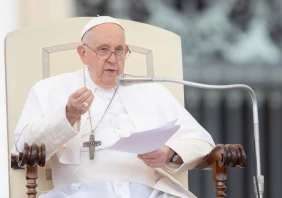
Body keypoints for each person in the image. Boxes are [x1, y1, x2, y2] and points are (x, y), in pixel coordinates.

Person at [12, 16, 215, 198]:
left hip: (148, 192)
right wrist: (67, 115)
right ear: (83, 53)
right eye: (103, 50)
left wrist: (169, 153)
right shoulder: (50, 89)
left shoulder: (153, 91)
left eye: (119, 50)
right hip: (78, 192)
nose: (113, 59)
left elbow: (202, 142)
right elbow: (23, 148)